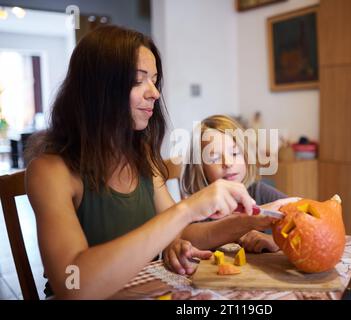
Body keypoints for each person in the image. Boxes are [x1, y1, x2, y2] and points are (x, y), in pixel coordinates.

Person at [26, 26, 259, 299]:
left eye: (155, 80)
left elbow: (181, 232)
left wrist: (257, 219)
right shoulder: (50, 172)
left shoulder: (143, 156)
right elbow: (73, 284)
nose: (155, 94)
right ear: (98, 89)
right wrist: (187, 209)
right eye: (139, 81)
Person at [163, 115, 298, 274]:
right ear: (200, 167)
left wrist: (276, 241)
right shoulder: (197, 206)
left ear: (246, 157)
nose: (227, 162)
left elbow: (307, 221)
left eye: (235, 153)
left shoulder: (260, 191)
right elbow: (182, 239)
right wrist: (180, 246)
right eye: (214, 157)